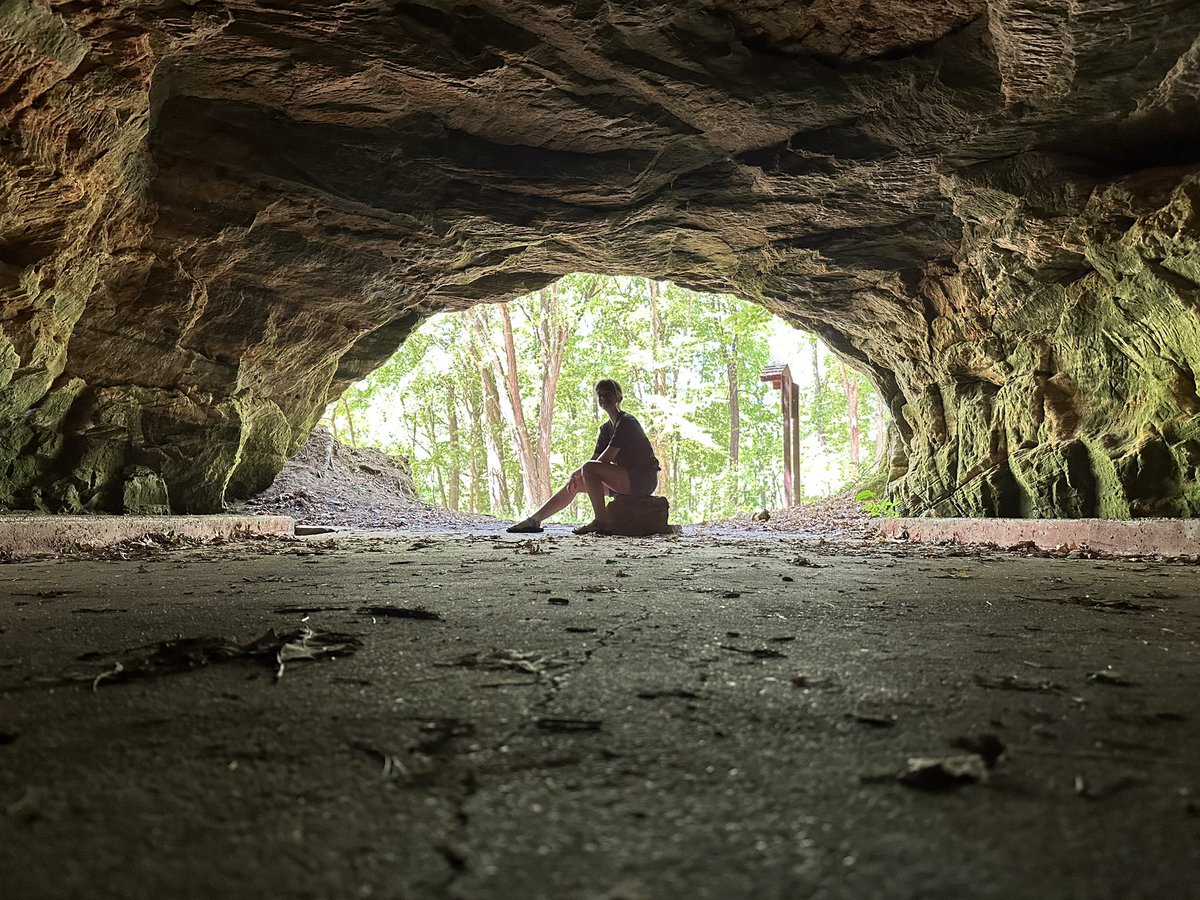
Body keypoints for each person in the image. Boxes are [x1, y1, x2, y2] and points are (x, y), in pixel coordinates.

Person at [507, 378, 660, 534]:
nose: (603, 398)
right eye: (600, 395)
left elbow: (604, 460)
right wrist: (576, 475)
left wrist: (582, 471)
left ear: (618, 397)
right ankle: (534, 520)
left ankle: (601, 520)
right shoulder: (606, 429)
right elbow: (595, 460)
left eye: (608, 393)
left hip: (642, 479)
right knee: (576, 484)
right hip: (624, 480)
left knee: (587, 469)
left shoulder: (627, 422)